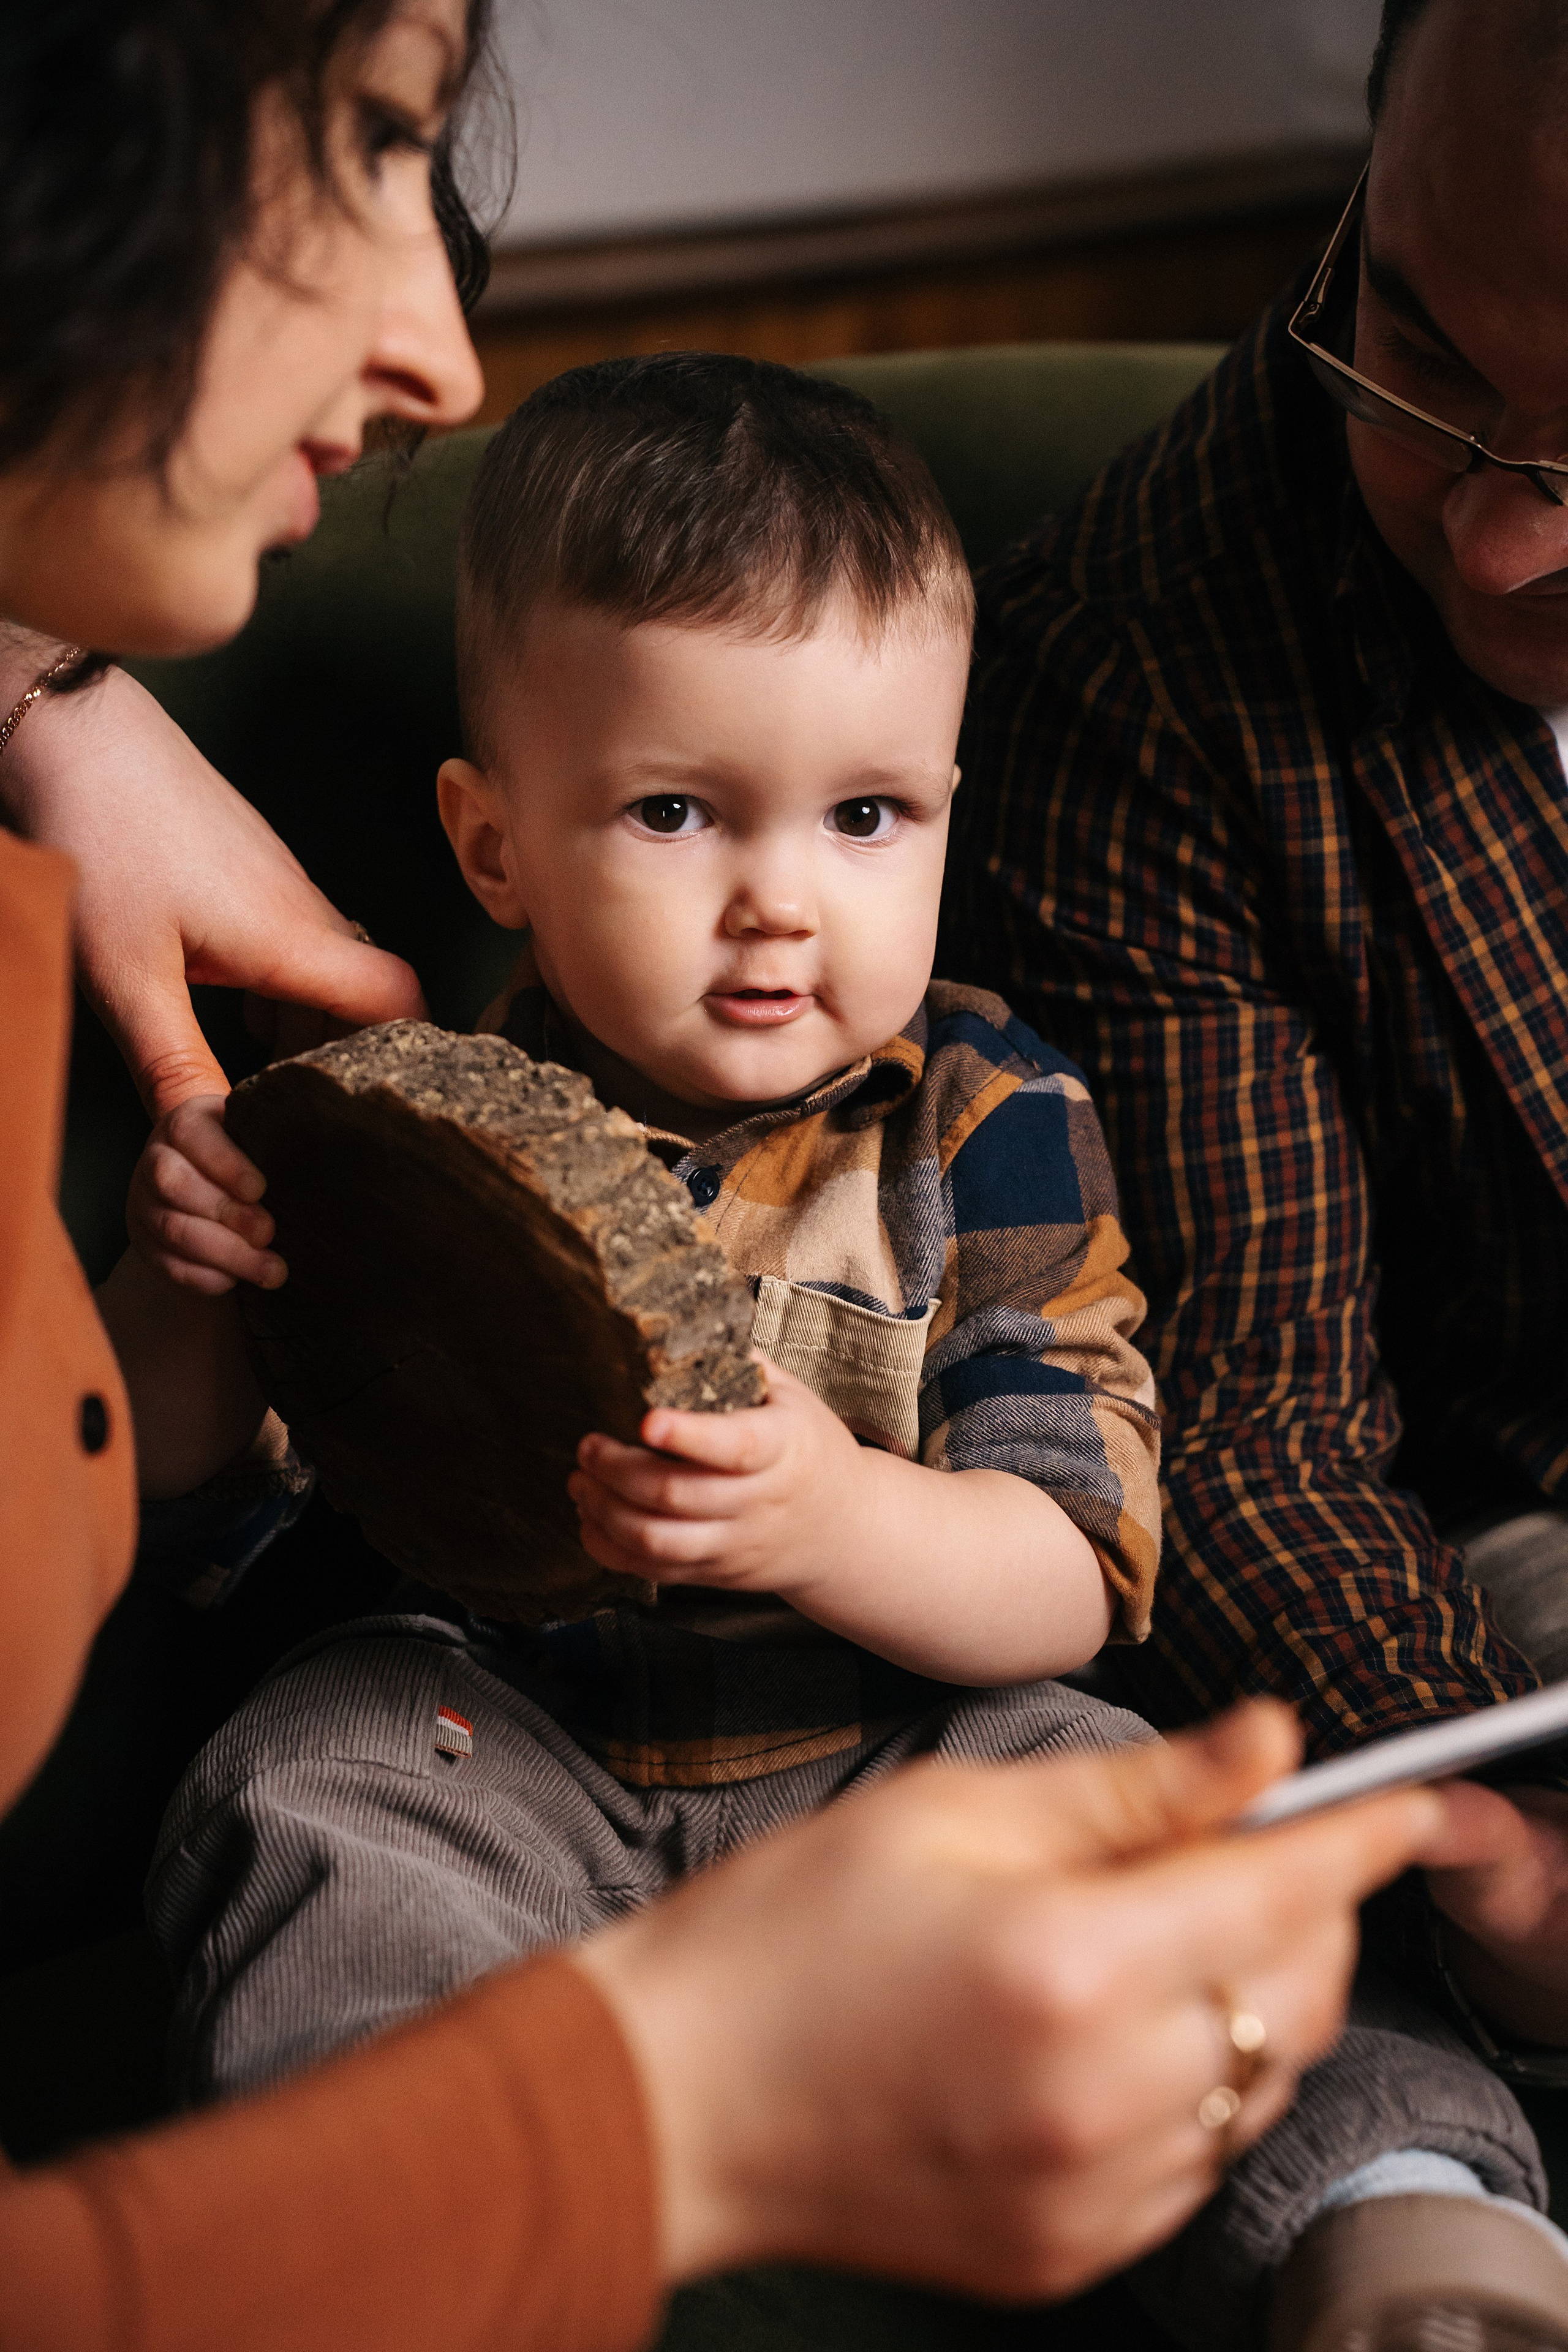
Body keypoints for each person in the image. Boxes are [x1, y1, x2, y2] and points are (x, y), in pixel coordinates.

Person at [0, 2, 1489, 2348]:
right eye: (679, 814)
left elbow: (1078, 1570)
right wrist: (197, 1302)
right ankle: (400, 2224)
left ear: (949, 817)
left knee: (1139, 1803)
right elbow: (202, 1501)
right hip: (511, 1730)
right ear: (494, 837)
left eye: (870, 818)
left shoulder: (982, 1111)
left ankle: (1398, 2200)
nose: (782, 900)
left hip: (892, 1729)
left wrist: (830, 1519)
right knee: (311, 1778)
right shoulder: (407, 1102)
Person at [954, 0, 1568, 2340]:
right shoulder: (1151, 642)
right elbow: (1252, 1415)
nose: (1501, 536)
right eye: (1416, 345)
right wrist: (1497, 1839)